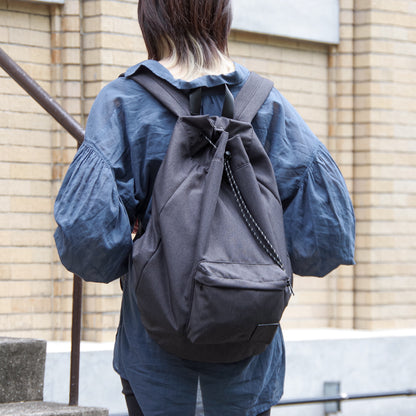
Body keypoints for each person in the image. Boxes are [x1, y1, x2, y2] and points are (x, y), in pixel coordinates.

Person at [54, 0, 355, 415]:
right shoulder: (266, 104)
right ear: (221, 17)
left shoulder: (124, 102)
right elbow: (325, 242)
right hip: (249, 359)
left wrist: (146, 246)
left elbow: (88, 246)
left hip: (155, 361)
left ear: (150, 20)